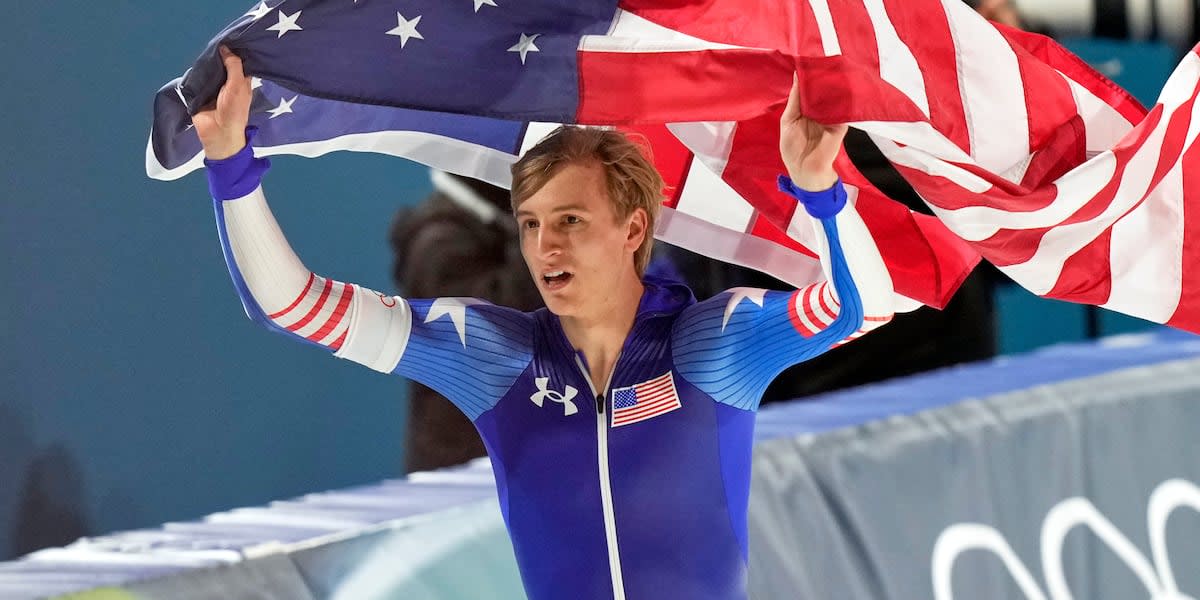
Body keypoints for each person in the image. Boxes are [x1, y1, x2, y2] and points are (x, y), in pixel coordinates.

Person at [194, 46, 895, 600]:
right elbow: (291, 304)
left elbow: (859, 301)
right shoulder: (493, 358)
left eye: (570, 221)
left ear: (632, 228)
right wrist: (231, 168)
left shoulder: (712, 347)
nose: (545, 247)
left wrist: (822, 192)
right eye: (530, 225)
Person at [388, 172, 544, 472]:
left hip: (516, 455)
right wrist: (536, 222)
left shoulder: (490, 224)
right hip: (463, 471)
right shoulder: (435, 242)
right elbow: (497, 331)